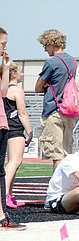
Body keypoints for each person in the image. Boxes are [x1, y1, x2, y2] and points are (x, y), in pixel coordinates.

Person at [33, 29, 77, 170]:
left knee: (56, 155)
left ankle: (57, 189)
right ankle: (66, 187)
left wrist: (46, 85)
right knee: (67, 152)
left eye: (45, 46)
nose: (45, 50)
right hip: (69, 110)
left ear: (52, 43)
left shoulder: (51, 63)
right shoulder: (73, 61)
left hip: (53, 110)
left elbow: (38, 87)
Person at [0, 28, 26, 230]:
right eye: (2, 43)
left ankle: (2, 215)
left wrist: (6, 67)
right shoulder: (18, 91)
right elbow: (22, 113)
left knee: (1, 170)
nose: (5, 47)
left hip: (3, 123)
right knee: (10, 164)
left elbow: (2, 92)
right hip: (10, 126)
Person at [3, 62, 32, 209]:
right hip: (15, 128)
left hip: (6, 127)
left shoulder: (4, 89)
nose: (23, 74)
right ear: (13, 74)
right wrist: (30, 131)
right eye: (21, 71)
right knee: (15, 161)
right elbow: (22, 113)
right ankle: (4, 195)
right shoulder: (17, 90)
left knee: (11, 162)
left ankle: (9, 195)